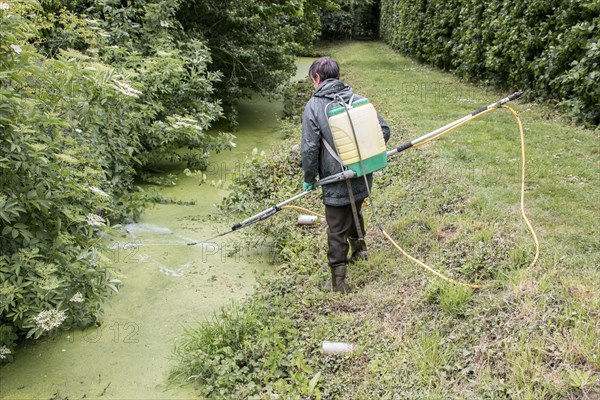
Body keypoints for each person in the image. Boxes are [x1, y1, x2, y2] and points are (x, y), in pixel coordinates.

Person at [301, 56, 390, 293]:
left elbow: (310, 148)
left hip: (335, 181)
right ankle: (360, 251)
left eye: (312, 80)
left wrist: (309, 179)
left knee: (336, 228)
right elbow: (384, 130)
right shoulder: (357, 99)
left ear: (317, 79)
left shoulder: (314, 106)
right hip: (361, 176)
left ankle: (338, 284)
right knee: (355, 209)